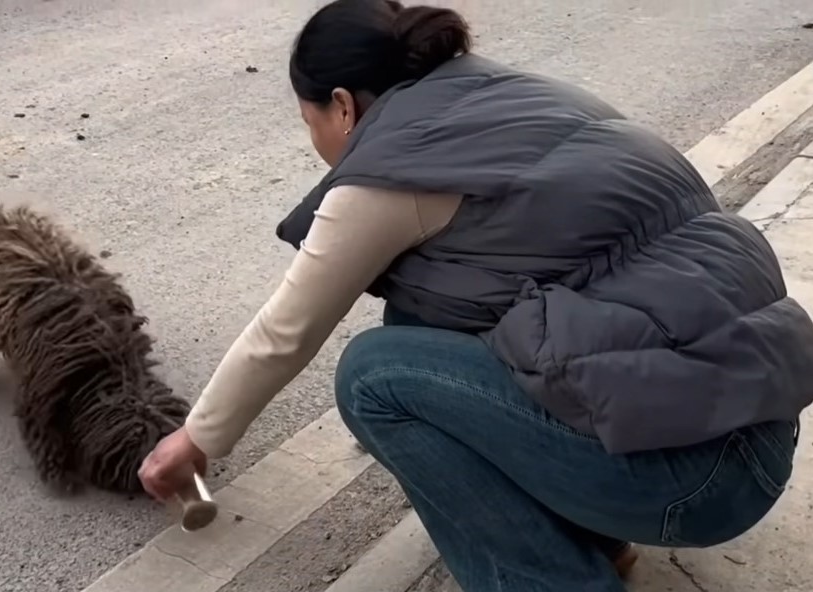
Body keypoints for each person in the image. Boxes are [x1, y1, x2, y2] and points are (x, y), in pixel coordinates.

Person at [138, 0, 813, 589]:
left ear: (341, 106)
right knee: (425, 320)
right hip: (757, 430)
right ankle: (597, 544)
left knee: (376, 376)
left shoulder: (390, 169)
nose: (314, 136)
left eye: (308, 118)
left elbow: (285, 331)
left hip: (691, 481)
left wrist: (195, 439)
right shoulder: (509, 96)